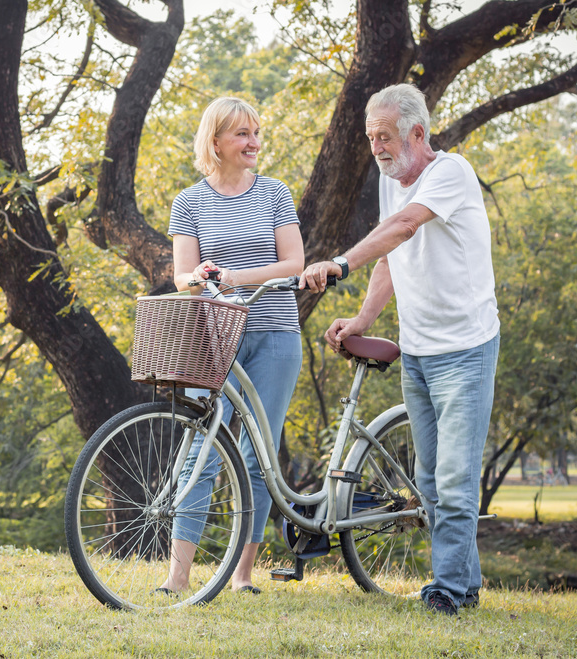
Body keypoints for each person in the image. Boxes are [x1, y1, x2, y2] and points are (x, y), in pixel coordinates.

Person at [300, 83, 500, 615]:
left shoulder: (450, 173)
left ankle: (447, 591)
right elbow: (391, 255)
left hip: (466, 350)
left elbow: (406, 226)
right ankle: (465, 584)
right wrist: (363, 319)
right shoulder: (393, 183)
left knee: (455, 479)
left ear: (416, 133)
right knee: (431, 481)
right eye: (371, 138)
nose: (376, 148)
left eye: (384, 137)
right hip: (418, 350)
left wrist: (340, 264)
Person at [161, 96, 304, 594]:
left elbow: (294, 263)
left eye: (256, 133)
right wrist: (198, 276)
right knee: (200, 448)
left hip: (274, 334)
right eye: (243, 133)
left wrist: (236, 276)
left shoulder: (275, 193)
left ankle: (242, 575)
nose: (253, 142)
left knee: (257, 455)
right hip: (215, 337)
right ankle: (178, 579)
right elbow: (182, 277)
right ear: (216, 140)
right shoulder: (189, 202)